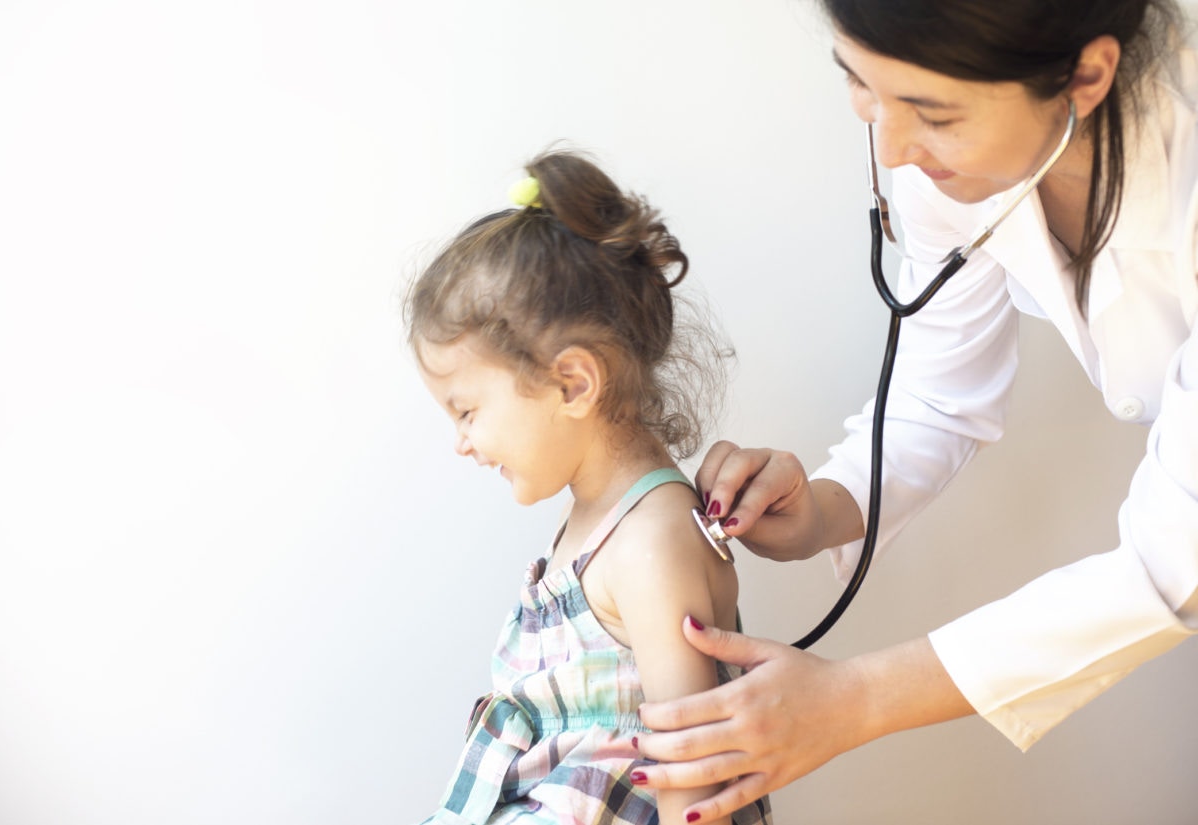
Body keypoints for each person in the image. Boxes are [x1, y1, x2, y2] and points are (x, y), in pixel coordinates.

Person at [629, 0, 1198, 822]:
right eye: (859, 85)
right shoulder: (959, 160)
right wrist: (826, 507)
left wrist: (853, 699)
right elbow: (940, 389)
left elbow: (1170, 562)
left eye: (933, 115)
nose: (892, 148)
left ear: (1087, 74)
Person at [404, 150, 772, 825]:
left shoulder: (650, 541)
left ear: (572, 383)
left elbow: (693, 776)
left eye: (467, 410)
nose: (461, 442)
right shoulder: (598, 520)